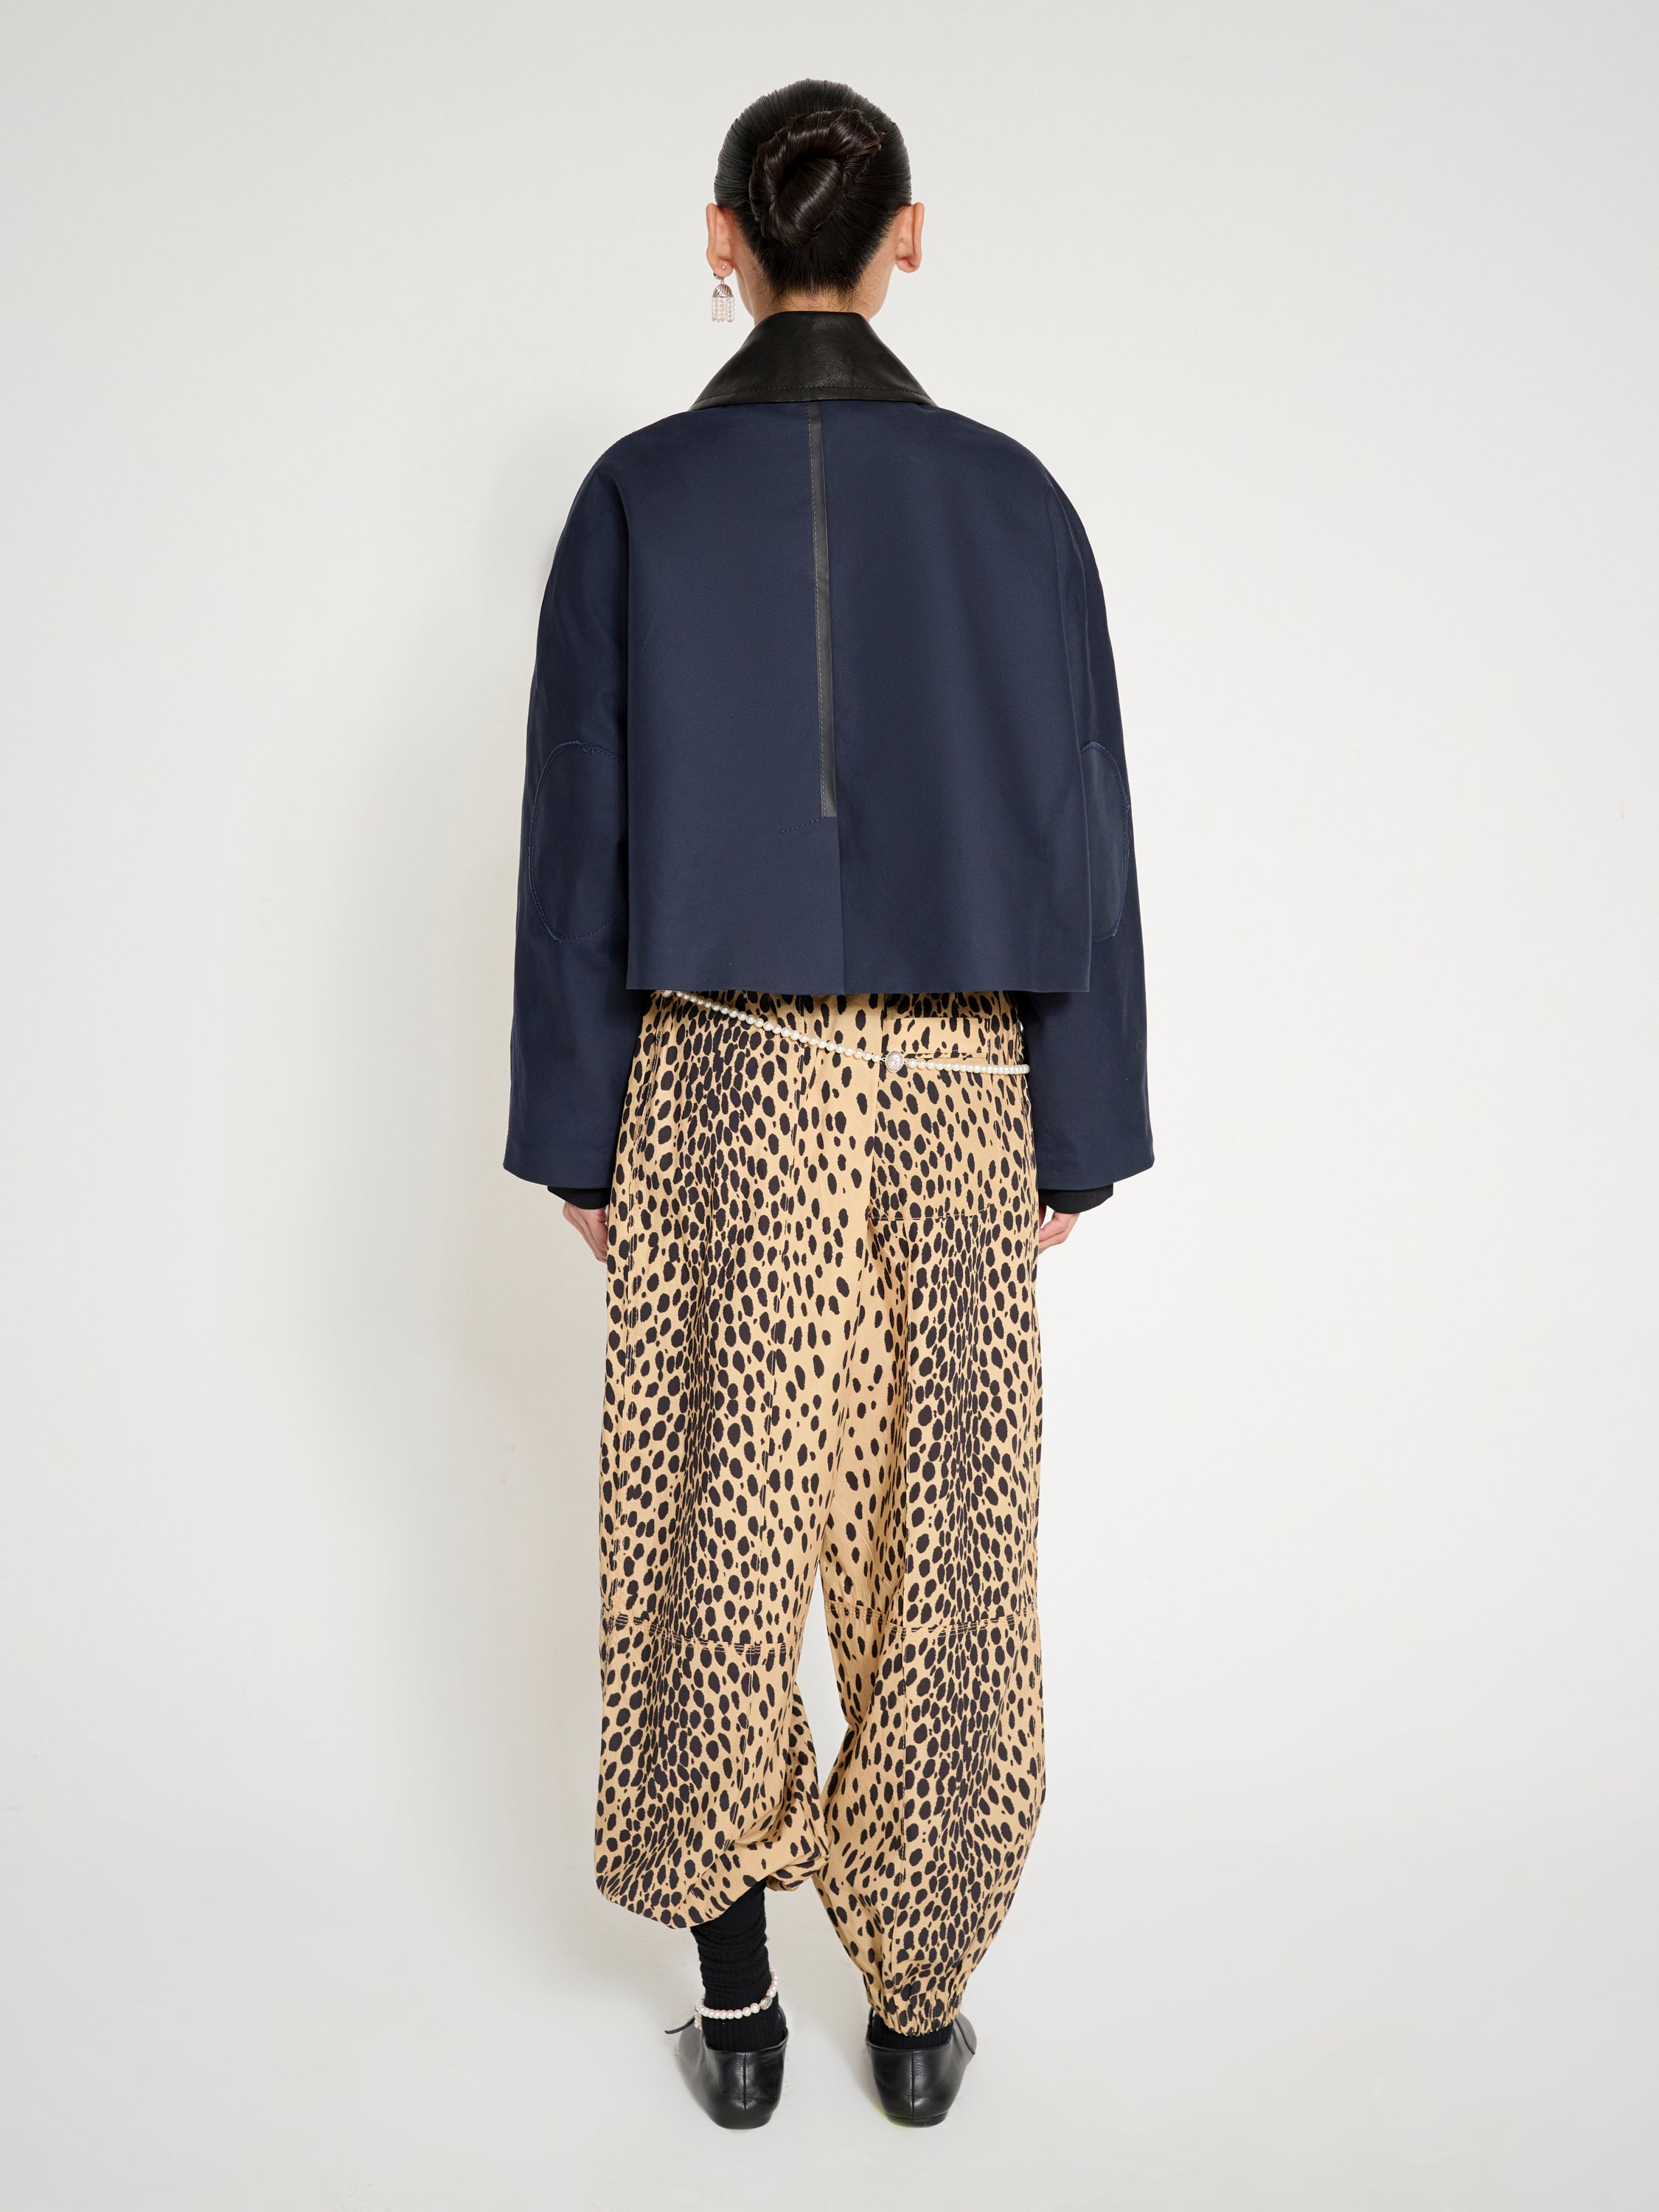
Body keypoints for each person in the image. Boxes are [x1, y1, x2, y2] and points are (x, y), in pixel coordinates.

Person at [504, 77, 1151, 2129]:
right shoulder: (1015, 502)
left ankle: (737, 2004)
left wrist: (581, 1127)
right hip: (959, 1085)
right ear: (909, 236)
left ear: (721, 240)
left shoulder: (635, 500)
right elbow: (1082, 826)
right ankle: (919, 1999)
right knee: (945, 1541)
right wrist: (1077, 1122)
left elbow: (580, 833)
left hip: (720, 1076)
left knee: (705, 1533)